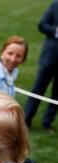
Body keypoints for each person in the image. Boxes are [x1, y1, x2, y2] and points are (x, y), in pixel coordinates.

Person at [24, 0, 58, 132]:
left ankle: (47, 123)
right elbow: (42, 24)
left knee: (57, 93)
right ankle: (26, 120)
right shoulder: (55, 5)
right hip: (50, 56)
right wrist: (56, 31)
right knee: (38, 88)